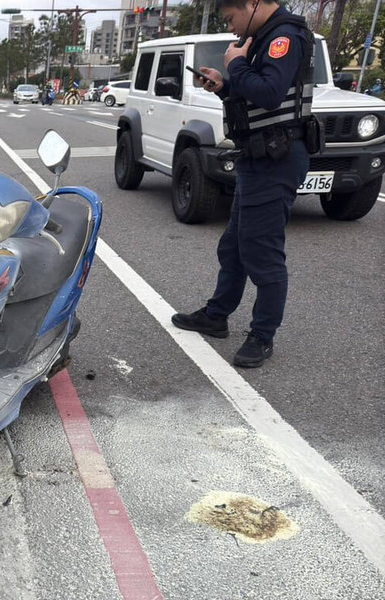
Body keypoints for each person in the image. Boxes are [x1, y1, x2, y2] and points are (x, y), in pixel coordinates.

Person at [171, 0, 316, 368]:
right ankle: (217, 315)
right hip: (258, 158)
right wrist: (223, 86)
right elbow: (258, 99)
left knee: (262, 254)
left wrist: (234, 63)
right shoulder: (265, 36)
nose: (232, 28)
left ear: (251, 4)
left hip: (275, 161)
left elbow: (268, 92)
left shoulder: (283, 36)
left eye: (231, 18)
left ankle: (262, 336)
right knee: (234, 245)